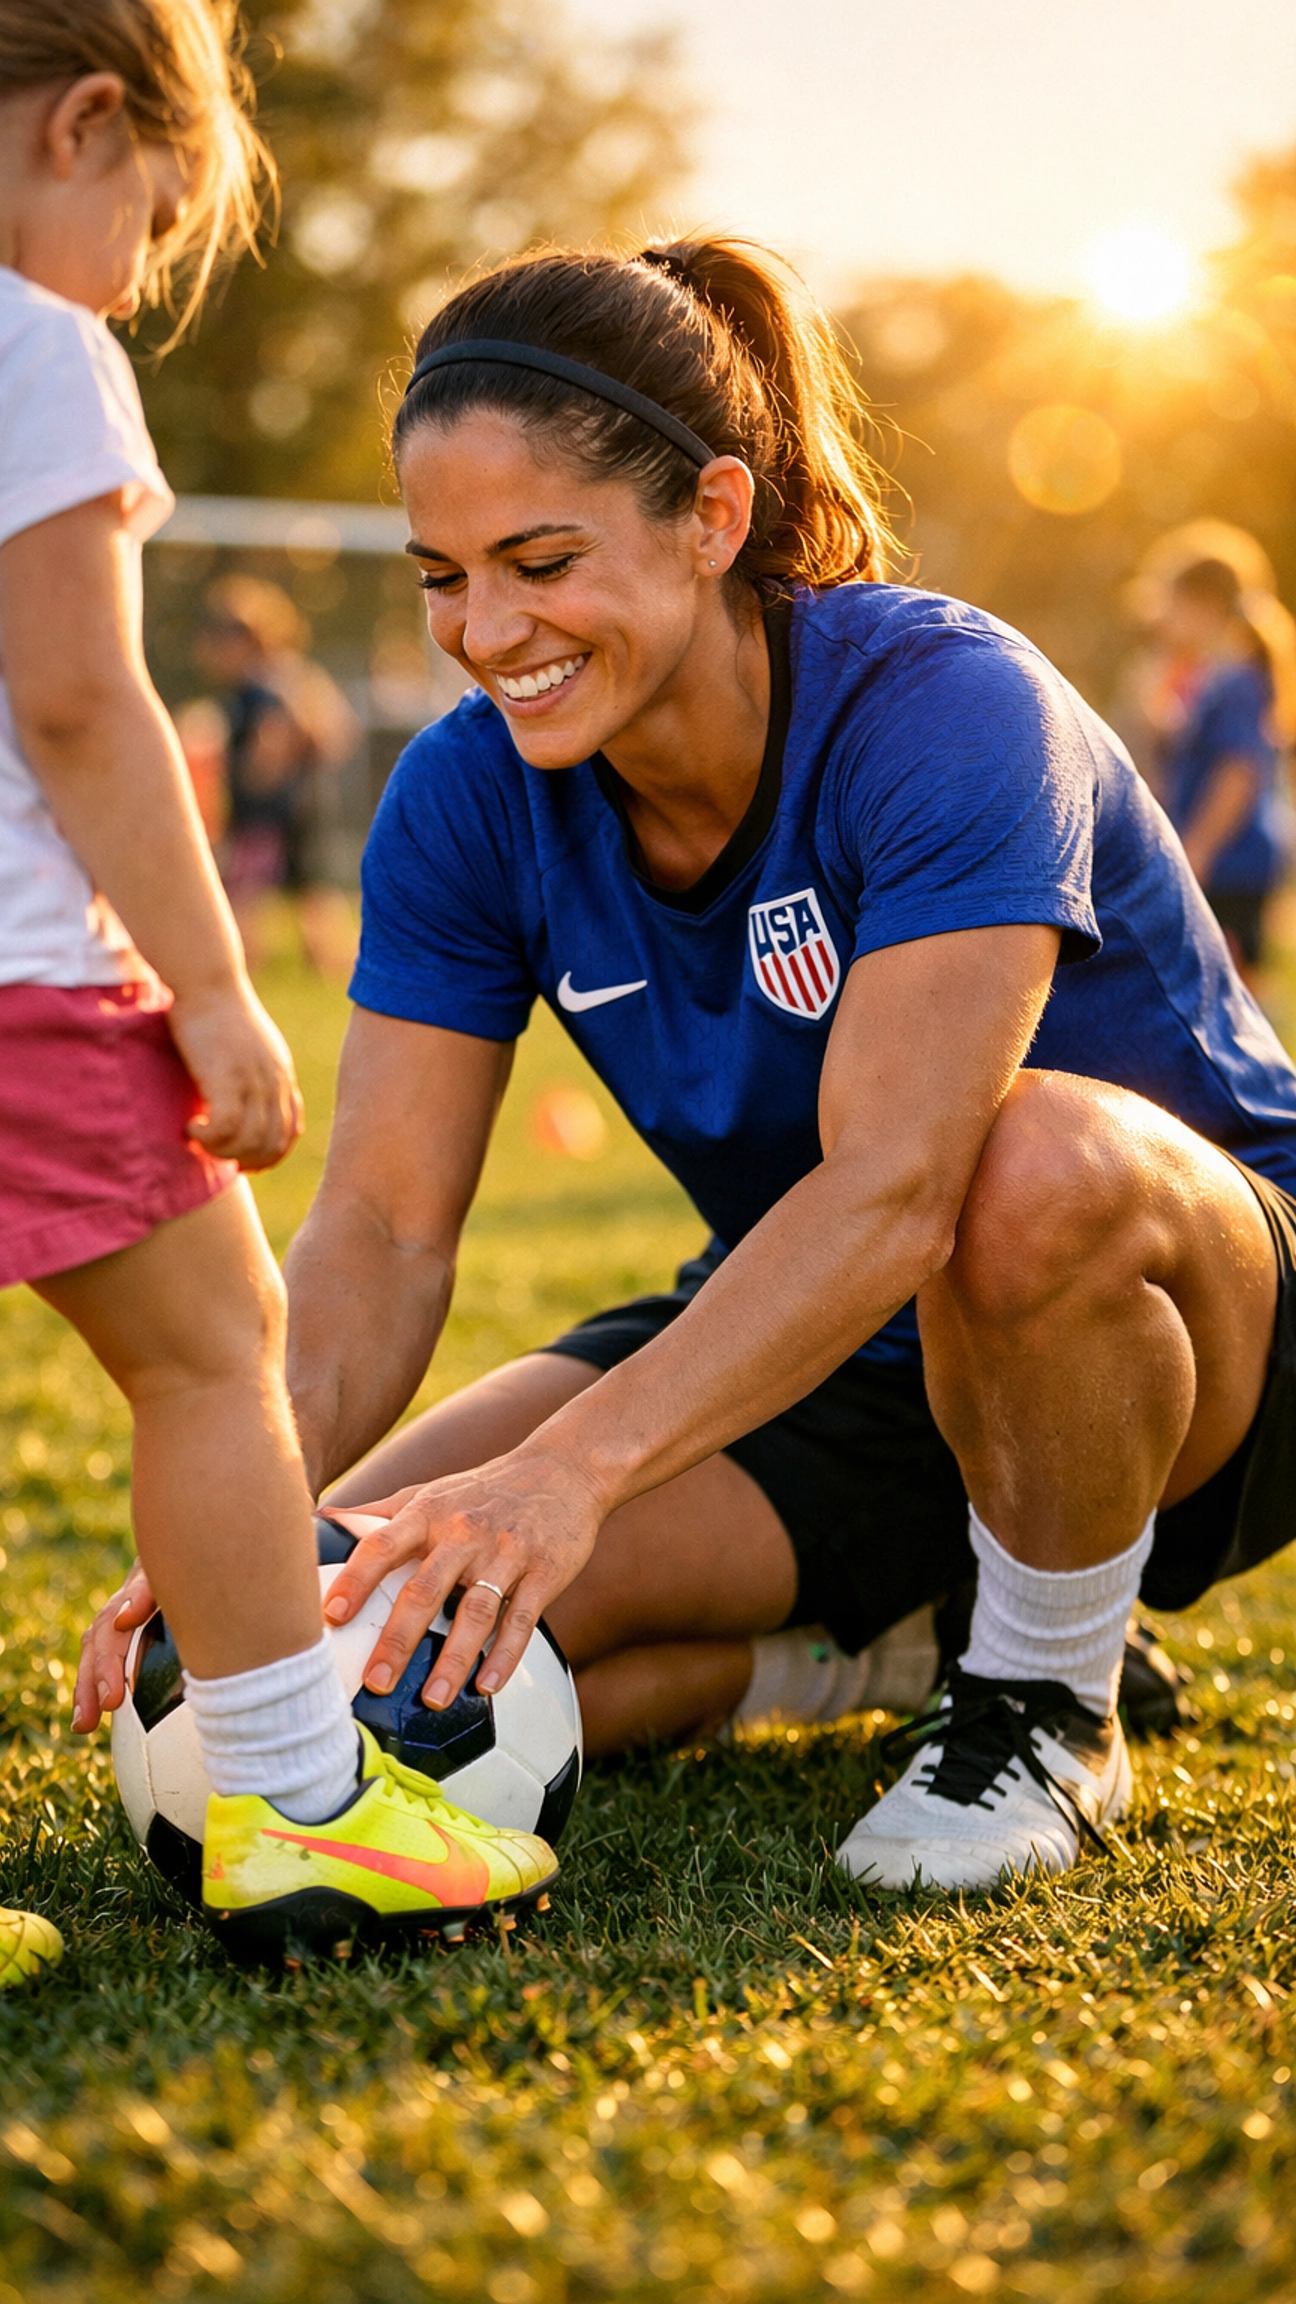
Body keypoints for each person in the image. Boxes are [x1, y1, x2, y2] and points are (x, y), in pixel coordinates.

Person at [80, 235, 1296, 1895]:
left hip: (1181, 1332)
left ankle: (1043, 1698)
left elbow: (900, 1185)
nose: (485, 628)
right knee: (362, 1632)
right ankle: (877, 1650)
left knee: (1033, 1159)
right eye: (442, 575)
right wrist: (248, 1514)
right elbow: (379, 1228)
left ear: (713, 518)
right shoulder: (464, 795)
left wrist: (567, 1470)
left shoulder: (944, 703)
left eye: (540, 559)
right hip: (825, 1335)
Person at [0, 0, 555, 2006]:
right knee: (215, 1354)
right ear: (86, 124)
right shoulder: (35, 355)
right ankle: (302, 1802)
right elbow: (80, 701)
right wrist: (209, 991)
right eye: (159, 215)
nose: (143, 269)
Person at [193, 575, 360, 977]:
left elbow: (276, 736)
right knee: (313, 891)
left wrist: (257, 775)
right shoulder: (294, 676)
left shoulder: (261, 689)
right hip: (305, 805)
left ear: (245, 642)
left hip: (268, 811)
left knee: (244, 889)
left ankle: (241, 959)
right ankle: (327, 960)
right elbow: (338, 730)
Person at [1151, 556, 1295, 985]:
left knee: (1228, 992)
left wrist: (1197, 850)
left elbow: (1239, 770)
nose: (1164, 620)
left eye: (1172, 605)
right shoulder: (1216, 676)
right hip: (1227, 864)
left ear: (1203, 606)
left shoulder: (1236, 678)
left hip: (1228, 867)